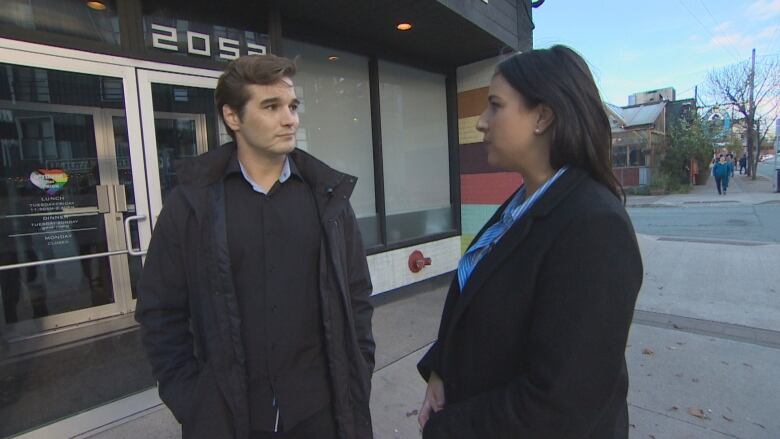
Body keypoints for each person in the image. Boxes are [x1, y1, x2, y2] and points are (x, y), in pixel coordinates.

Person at [135, 55, 375, 439]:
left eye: (292, 106)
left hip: (322, 413)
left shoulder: (327, 199)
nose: (290, 119)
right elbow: (160, 311)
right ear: (233, 117)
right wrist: (192, 400)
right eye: (271, 106)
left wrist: (359, 365)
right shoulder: (191, 206)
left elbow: (357, 293)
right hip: (230, 417)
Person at [417, 46, 643, 439]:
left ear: (543, 116)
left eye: (495, 106)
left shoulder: (593, 227)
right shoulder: (524, 202)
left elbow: (559, 406)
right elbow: (479, 303)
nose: (482, 123)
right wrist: (441, 370)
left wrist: (446, 428)